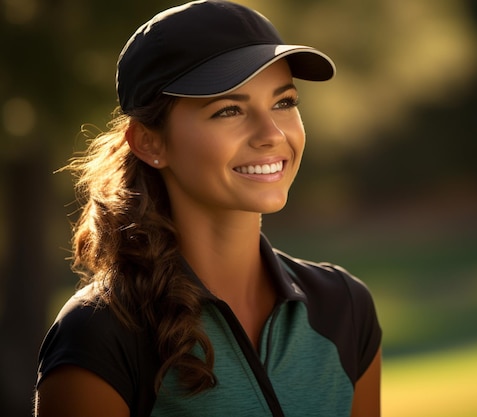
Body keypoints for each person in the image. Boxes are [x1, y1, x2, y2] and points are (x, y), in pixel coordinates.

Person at [34, 1, 382, 416]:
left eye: (284, 103)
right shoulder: (100, 334)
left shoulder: (344, 307)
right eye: (229, 110)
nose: (271, 134)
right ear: (149, 142)